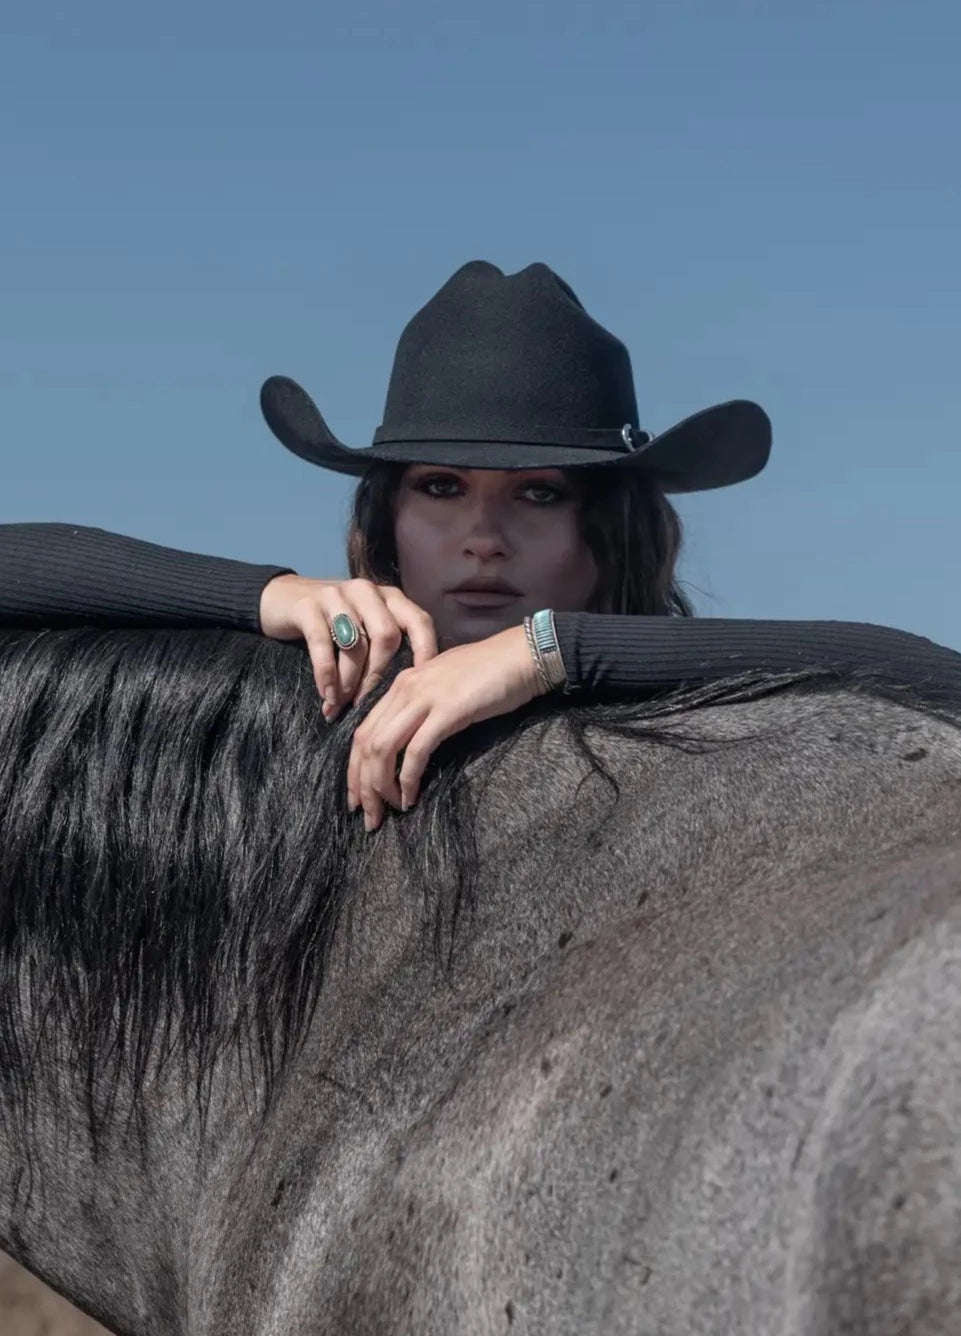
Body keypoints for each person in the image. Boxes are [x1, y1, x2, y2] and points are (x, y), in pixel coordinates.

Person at [2, 261, 959, 832]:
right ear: (386, 514)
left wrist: (547, 652)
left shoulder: (667, 685)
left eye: (540, 494)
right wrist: (270, 594)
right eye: (440, 488)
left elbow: (925, 669)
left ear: (611, 526)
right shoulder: (326, 678)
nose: (483, 541)